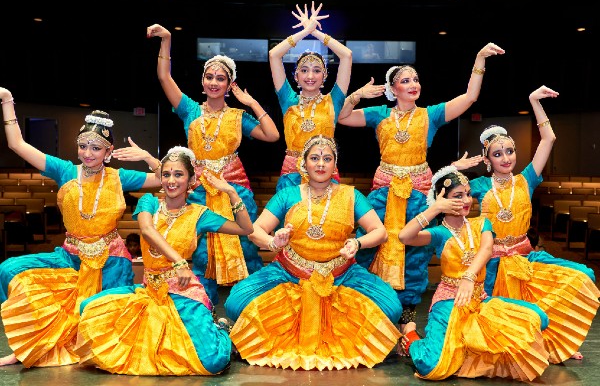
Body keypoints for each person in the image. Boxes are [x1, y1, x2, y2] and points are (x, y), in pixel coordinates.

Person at [336, 42, 505, 328]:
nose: (413, 84)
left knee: (415, 256)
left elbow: (470, 97)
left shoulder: (431, 114)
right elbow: (341, 117)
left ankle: (407, 320)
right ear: (393, 89)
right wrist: (356, 96)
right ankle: (369, 311)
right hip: (383, 192)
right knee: (370, 248)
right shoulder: (379, 114)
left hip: (418, 192)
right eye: (405, 80)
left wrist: (479, 59)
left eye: (415, 79)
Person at [0, 86, 162, 367]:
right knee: (9, 269)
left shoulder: (119, 177)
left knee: (102, 338)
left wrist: (148, 158)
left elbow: (166, 180)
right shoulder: (64, 170)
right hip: (70, 256)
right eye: (83, 146)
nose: (88, 153)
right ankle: (28, 346)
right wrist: (6, 100)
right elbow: (18, 145)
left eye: (96, 148)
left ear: (109, 151)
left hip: (110, 262)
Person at [224, 135, 402, 370]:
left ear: (334, 165)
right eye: (315, 158)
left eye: (327, 159)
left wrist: (358, 244)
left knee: (392, 308)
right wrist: (273, 241)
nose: (320, 164)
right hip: (289, 272)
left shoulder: (350, 195)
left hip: (341, 273)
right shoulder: (287, 195)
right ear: (304, 163)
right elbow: (255, 231)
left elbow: (379, 231)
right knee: (235, 302)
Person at [75, 146, 253, 376]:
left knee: (213, 362)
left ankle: (221, 331)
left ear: (190, 180)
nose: (171, 180)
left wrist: (231, 193)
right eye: (166, 174)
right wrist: (179, 262)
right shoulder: (148, 204)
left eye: (178, 174)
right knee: (88, 308)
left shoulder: (199, 214)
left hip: (182, 292)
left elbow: (245, 228)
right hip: (149, 290)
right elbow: (148, 231)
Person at [456, 86, 600, 363]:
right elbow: (440, 192)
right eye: (497, 154)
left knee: (582, 275)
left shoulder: (527, 179)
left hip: (525, 255)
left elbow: (549, 138)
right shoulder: (478, 186)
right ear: (486, 160)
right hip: (494, 263)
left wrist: (534, 101)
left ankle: (555, 341)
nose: (506, 157)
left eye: (509, 151)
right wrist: (454, 168)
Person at [146, 24, 280, 304]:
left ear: (229, 85)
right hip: (198, 189)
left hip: (233, 186)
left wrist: (252, 103)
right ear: (203, 80)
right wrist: (167, 40)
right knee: (202, 247)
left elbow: (272, 135)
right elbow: (163, 76)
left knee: (244, 245)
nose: (214, 82)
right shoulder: (190, 110)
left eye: (221, 79)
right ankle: (203, 304)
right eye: (210, 77)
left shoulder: (238, 116)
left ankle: (244, 305)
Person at [397, 166, 550, 381]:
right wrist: (433, 208)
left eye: (468, 194)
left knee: (538, 318)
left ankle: (465, 350)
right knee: (431, 366)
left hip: (479, 300)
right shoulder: (440, 233)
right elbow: (404, 237)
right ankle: (411, 336)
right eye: (457, 196)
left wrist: (469, 277)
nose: (467, 200)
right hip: (449, 302)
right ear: (443, 200)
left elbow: (487, 249)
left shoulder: (481, 223)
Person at [269, 1, 352, 192]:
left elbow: (346, 55)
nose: (310, 76)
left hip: (326, 173)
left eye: (316, 71)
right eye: (304, 71)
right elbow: (274, 55)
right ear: (296, 76)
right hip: (291, 176)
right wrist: (304, 31)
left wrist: (315, 32)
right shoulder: (288, 99)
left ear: (324, 77)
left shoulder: (334, 100)